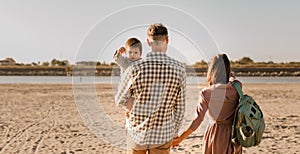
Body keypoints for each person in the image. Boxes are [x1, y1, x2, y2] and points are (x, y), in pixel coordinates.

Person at [115, 23, 186, 154]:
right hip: (163, 136)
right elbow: (180, 108)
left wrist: (132, 109)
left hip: (137, 134)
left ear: (148, 42)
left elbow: (119, 99)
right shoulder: (179, 69)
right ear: (167, 40)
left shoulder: (134, 67)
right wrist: (174, 132)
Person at [172, 53, 242, 154]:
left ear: (212, 70)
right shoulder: (237, 86)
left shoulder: (206, 93)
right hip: (234, 134)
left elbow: (197, 120)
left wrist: (180, 139)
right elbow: (232, 79)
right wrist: (230, 75)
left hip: (215, 134)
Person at [113, 37, 143, 117]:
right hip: (126, 88)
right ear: (126, 53)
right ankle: (129, 113)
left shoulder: (142, 63)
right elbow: (117, 59)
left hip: (137, 88)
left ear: (140, 54)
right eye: (130, 52)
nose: (132, 55)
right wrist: (119, 53)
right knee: (130, 102)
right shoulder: (125, 62)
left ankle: (132, 113)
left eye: (135, 53)